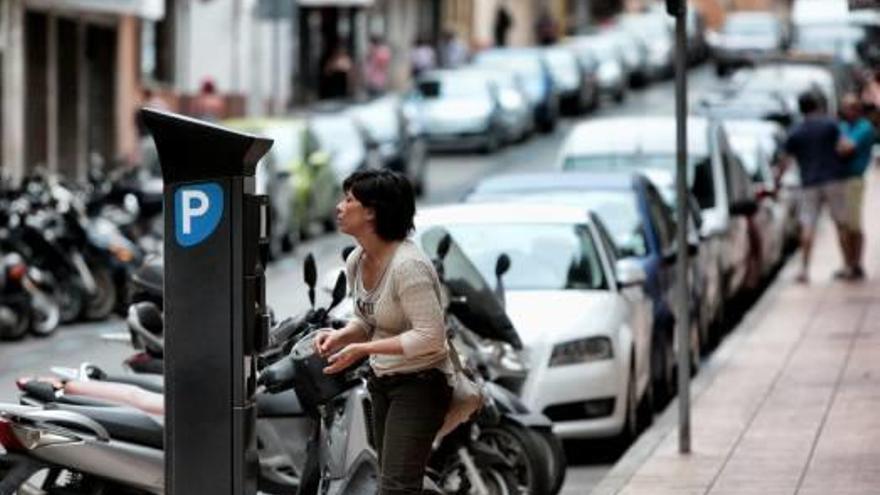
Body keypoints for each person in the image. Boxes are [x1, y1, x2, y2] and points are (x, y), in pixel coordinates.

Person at [316, 169, 452, 494]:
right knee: (390, 482)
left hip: (421, 384)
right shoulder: (357, 261)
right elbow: (368, 320)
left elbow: (430, 336)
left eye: (349, 200)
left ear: (372, 212)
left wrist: (364, 350)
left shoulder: (408, 267)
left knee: (396, 487)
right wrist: (342, 336)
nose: (339, 207)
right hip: (382, 383)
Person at [779, 91, 852, 284]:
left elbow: (784, 161)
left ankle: (804, 269)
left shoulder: (796, 131)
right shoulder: (830, 124)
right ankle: (847, 265)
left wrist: (777, 180)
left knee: (808, 225)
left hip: (809, 182)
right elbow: (845, 146)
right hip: (834, 179)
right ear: (817, 105)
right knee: (841, 223)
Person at [837, 94, 876, 280]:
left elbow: (846, 148)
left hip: (854, 179)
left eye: (852, 107)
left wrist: (839, 145)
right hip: (839, 180)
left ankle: (856, 263)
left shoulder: (864, 127)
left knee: (853, 224)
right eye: (846, 107)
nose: (848, 111)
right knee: (842, 226)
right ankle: (847, 263)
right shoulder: (844, 126)